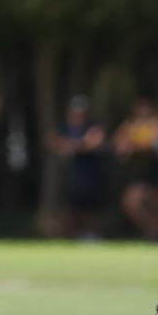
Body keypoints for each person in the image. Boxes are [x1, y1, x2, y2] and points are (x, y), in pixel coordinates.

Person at [113, 97, 158, 241]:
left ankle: (157, 235)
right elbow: (120, 148)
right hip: (139, 173)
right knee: (130, 202)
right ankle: (152, 232)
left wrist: (137, 145)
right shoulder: (129, 125)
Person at [49, 96, 107, 241]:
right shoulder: (66, 127)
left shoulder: (92, 126)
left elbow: (94, 142)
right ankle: (71, 235)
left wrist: (71, 145)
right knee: (71, 207)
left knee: (91, 208)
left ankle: (93, 235)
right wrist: (80, 144)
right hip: (71, 174)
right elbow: (52, 141)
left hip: (91, 173)